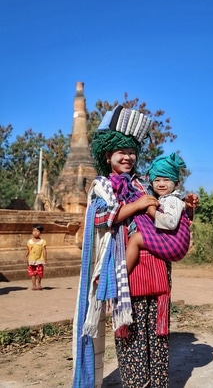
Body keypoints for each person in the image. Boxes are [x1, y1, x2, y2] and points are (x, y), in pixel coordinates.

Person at [72, 106, 198, 388]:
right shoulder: (103, 186)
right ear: (108, 156)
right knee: (130, 332)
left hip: (156, 265)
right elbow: (99, 218)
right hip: (126, 271)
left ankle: (158, 383)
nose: (127, 157)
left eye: (131, 151)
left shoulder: (144, 184)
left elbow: (167, 214)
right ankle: (137, 383)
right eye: (120, 152)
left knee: (158, 332)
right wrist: (136, 206)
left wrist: (187, 208)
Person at [126, 152, 191, 274]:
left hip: (175, 243)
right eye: (157, 180)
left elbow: (171, 223)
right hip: (173, 242)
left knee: (135, 239)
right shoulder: (163, 199)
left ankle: (122, 274)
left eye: (166, 180)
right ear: (151, 183)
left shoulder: (172, 200)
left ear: (176, 183)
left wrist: (152, 213)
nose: (161, 184)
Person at [24, 224, 47, 291]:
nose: (35, 232)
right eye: (34, 231)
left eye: (37, 231)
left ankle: (39, 284)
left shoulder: (43, 242)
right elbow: (28, 250)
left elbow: (44, 251)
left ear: (40, 233)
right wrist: (25, 257)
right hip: (31, 259)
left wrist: (45, 259)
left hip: (40, 259)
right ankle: (34, 285)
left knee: (39, 273)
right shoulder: (29, 242)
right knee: (32, 273)